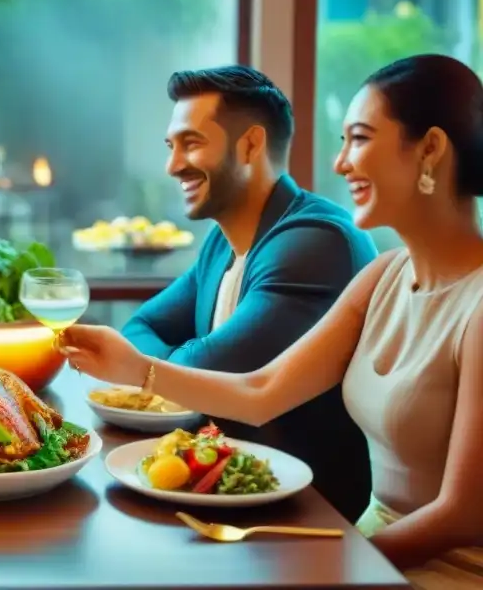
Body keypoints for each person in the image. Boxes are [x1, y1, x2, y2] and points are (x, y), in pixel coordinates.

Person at [64, 54, 483, 587]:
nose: (341, 163)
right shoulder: (382, 276)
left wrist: (343, 560)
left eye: (359, 138)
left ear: (429, 149)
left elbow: (462, 516)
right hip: (368, 545)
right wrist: (136, 368)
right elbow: (263, 390)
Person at [118, 66, 378, 522]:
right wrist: (177, 368)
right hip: (225, 492)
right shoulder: (222, 240)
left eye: (191, 143)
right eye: (171, 146)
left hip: (307, 517)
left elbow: (205, 371)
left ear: (251, 145)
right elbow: (142, 327)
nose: (173, 164)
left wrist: (167, 369)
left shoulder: (316, 241)